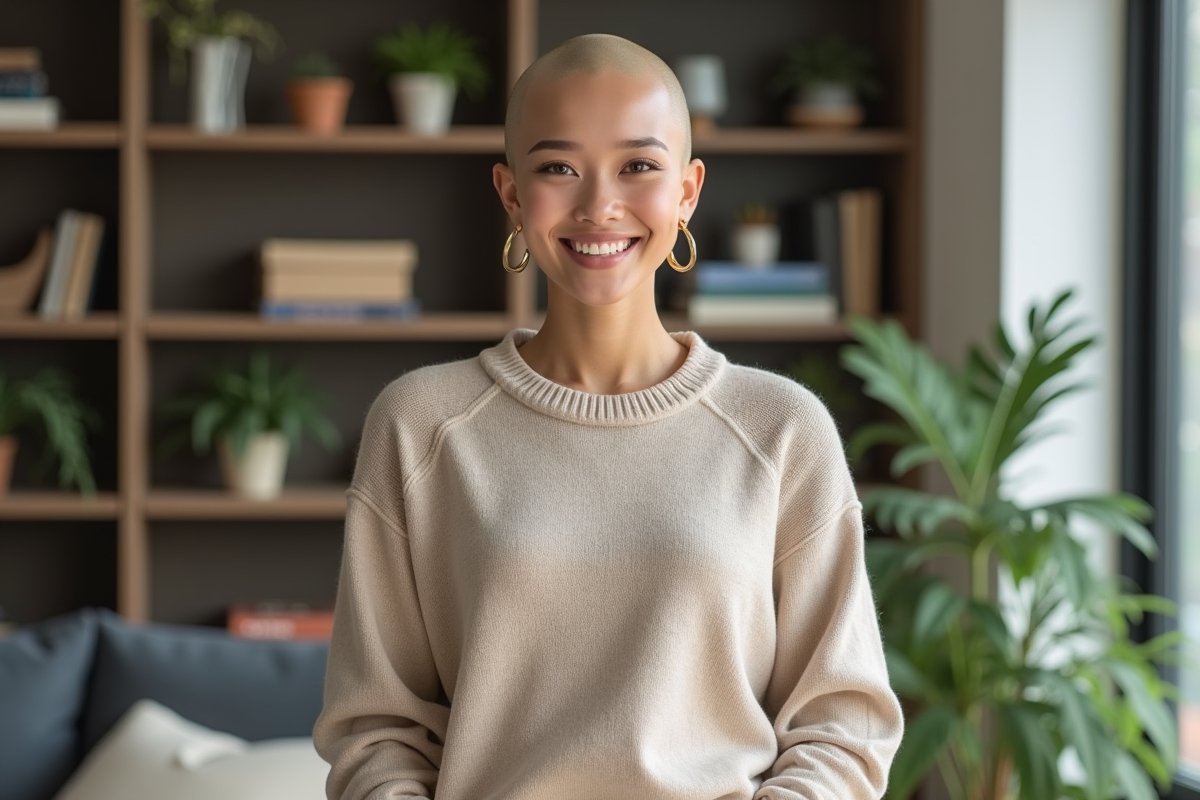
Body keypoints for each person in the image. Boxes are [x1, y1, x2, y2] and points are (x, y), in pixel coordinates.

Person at [313, 33, 903, 800]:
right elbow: (376, 729)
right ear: (511, 193)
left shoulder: (782, 430)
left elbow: (842, 725)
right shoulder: (422, 423)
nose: (599, 205)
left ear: (688, 190)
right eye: (559, 167)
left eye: (639, 166)